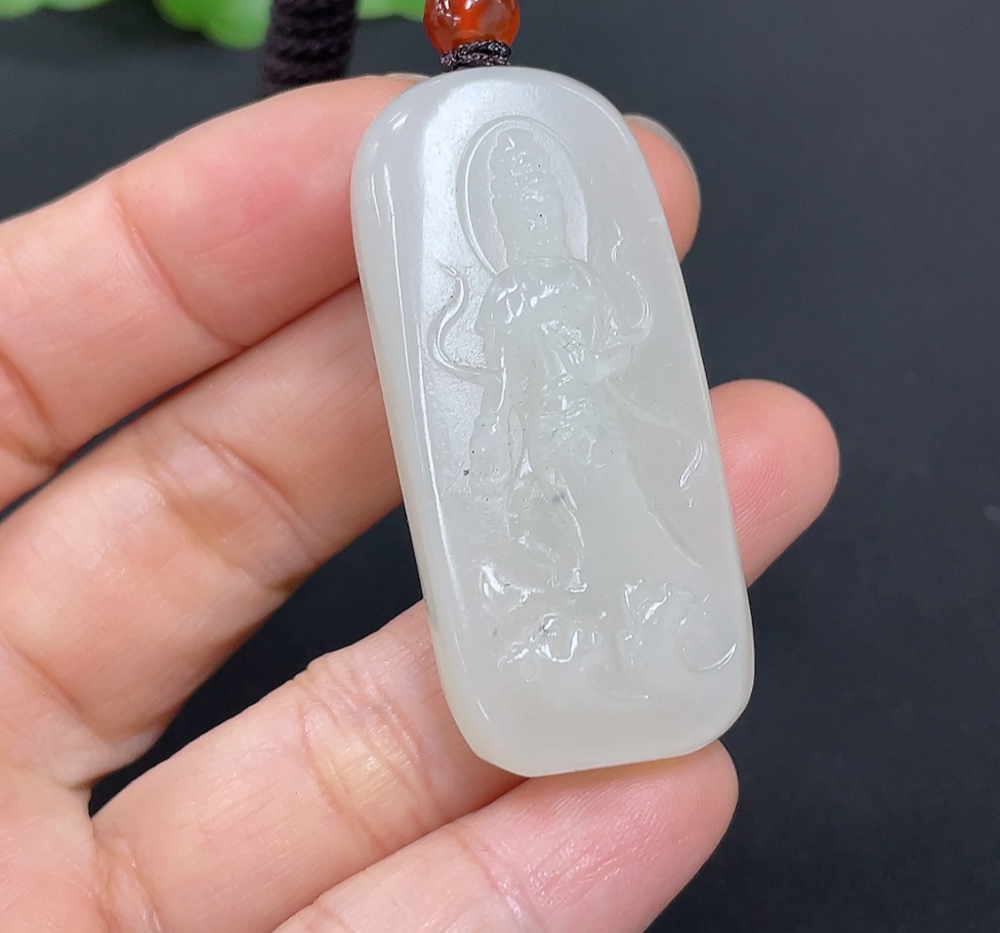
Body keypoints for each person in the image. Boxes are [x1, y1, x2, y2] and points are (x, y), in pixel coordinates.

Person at [0, 75, 839, 932]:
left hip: (602, 436)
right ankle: (604, 634)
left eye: (539, 196)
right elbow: (503, 390)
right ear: (498, 220)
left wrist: (607, 334)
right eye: (514, 202)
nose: (532, 210)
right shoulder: (507, 297)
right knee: (582, 548)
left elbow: (621, 350)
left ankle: (650, 630)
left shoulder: (579, 280)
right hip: (550, 445)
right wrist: (490, 453)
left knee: (636, 530)